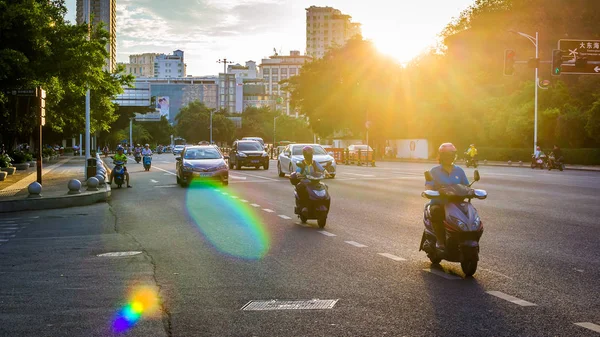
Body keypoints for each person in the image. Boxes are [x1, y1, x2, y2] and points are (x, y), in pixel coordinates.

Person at [425, 143, 470, 253]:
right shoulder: (434, 171)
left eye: (452, 154)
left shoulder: (459, 170)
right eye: (447, 155)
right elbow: (428, 186)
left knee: (470, 213)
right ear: (441, 156)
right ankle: (440, 241)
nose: (450, 157)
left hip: (456, 203)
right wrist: (435, 191)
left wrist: (470, 191)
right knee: (436, 212)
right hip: (439, 203)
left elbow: (466, 185)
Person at [294, 146, 331, 213]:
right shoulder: (302, 163)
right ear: (305, 154)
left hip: (315, 181)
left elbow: (321, 169)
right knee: (300, 188)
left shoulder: (314, 162)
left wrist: (326, 173)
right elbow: (298, 170)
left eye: (311, 153)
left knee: (325, 186)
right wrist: (298, 174)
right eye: (308, 153)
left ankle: (322, 202)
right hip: (305, 181)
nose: (309, 154)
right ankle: (302, 205)